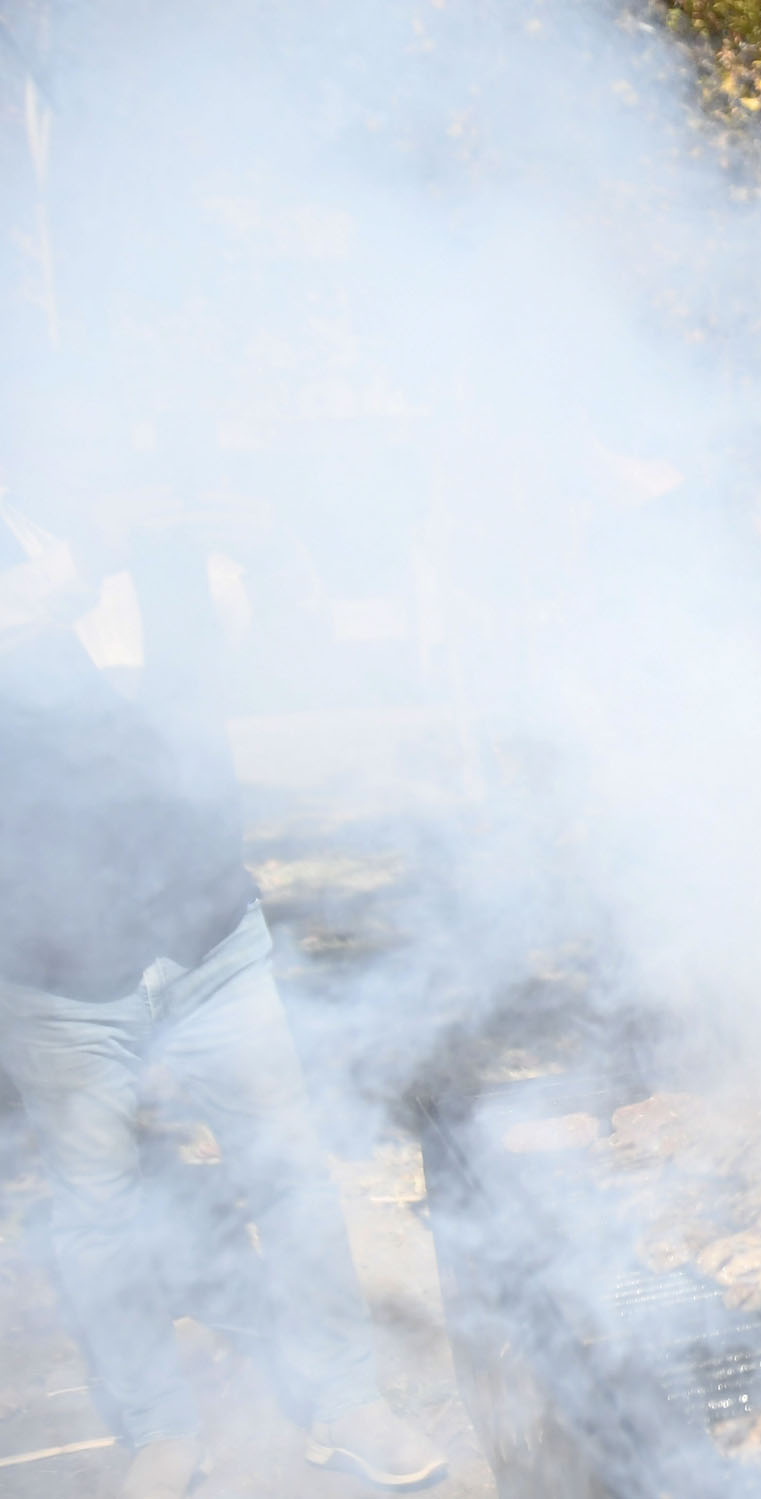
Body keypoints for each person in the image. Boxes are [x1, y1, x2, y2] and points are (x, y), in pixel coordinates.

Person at [0, 501, 448, 1497]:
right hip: (57, 969)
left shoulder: (165, 555)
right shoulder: (36, 565)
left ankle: (345, 1400)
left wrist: (252, 561)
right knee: (98, 1215)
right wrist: (44, 601)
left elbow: (258, 639)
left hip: (211, 938)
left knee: (289, 1174)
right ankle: (159, 1428)